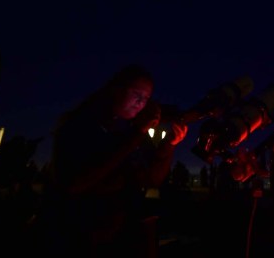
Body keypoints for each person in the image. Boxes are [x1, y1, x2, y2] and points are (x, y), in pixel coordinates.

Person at [34, 64, 188, 257]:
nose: (141, 102)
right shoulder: (80, 126)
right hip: (76, 236)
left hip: (116, 236)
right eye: (136, 94)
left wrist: (169, 145)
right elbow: (73, 182)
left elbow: (151, 179)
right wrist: (136, 135)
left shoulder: (131, 131)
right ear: (116, 90)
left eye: (146, 98)